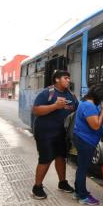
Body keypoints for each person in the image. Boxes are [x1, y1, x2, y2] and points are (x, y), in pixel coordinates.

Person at [31, 70, 78, 199]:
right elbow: (36, 110)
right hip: (45, 133)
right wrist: (55, 106)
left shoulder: (71, 95)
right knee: (45, 159)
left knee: (61, 158)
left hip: (62, 134)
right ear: (57, 79)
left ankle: (62, 183)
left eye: (69, 78)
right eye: (66, 78)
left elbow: (76, 110)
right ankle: (37, 187)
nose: (68, 80)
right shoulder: (48, 93)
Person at [73, 84, 103, 205]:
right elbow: (96, 125)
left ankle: (78, 192)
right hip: (85, 141)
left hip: (82, 138)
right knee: (83, 168)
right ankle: (83, 197)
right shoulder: (89, 106)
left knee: (81, 167)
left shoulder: (85, 102)